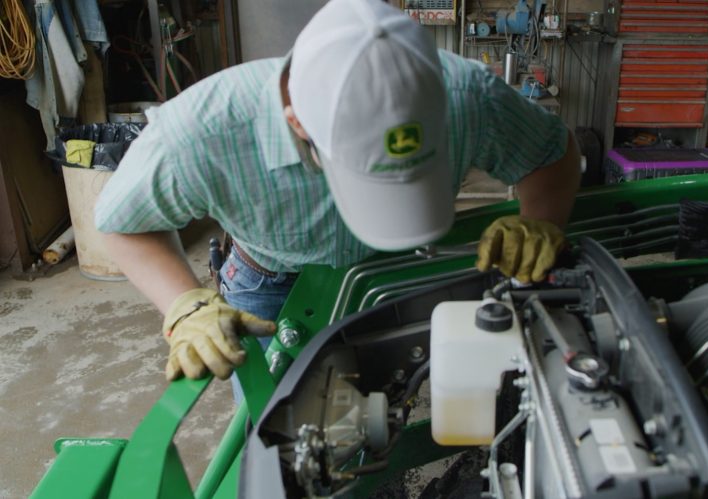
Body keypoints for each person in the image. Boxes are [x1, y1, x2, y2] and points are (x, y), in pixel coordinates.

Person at [94, 0, 580, 384]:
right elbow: (122, 223)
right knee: (277, 422)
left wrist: (540, 220)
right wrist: (186, 305)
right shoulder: (203, 131)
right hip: (272, 282)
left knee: (385, 392)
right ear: (298, 124)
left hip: (393, 267)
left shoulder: (471, 95)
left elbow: (551, 154)